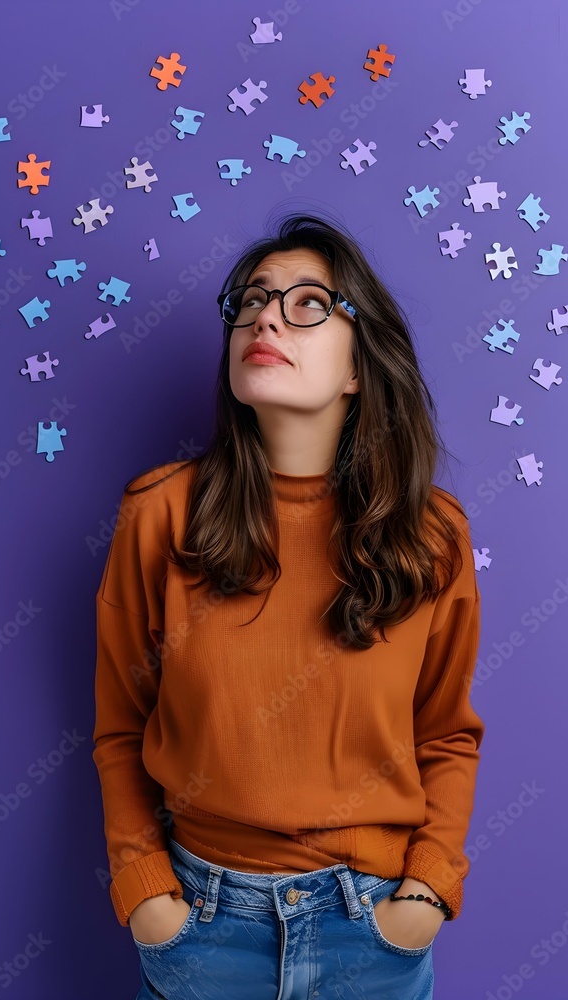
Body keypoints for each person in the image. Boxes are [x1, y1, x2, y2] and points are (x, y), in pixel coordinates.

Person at [92, 210, 485, 999]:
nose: (264, 316)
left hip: (370, 930)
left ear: (357, 368)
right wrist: (145, 892)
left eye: (307, 303)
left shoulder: (432, 535)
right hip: (199, 926)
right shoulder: (158, 515)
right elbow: (121, 725)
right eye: (251, 300)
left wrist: (427, 891)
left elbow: (445, 735)